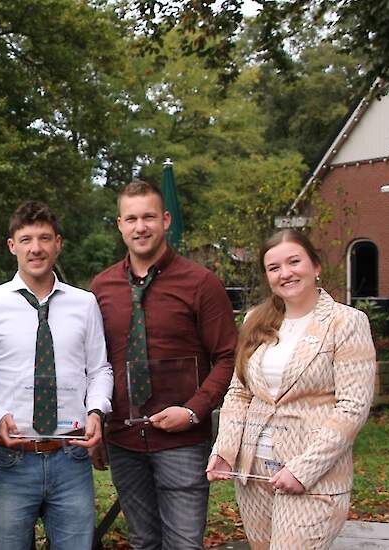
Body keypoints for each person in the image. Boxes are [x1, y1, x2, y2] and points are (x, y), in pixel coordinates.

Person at [206, 229, 376, 549]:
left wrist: (303, 469)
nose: (285, 273)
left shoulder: (347, 322)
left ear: (316, 265)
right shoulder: (256, 319)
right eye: (274, 268)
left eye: (294, 261)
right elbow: (240, 393)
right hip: (254, 475)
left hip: (313, 478)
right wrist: (225, 452)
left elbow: (352, 407)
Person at [90, 180, 237, 550]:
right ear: (120, 224)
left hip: (182, 443)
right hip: (123, 440)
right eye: (132, 218)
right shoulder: (101, 288)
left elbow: (228, 357)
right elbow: (93, 363)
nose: (141, 227)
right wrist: (94, 420)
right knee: (143, 542)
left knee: (184, 544)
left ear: (166, 220)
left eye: (149, 217)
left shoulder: (201, 283)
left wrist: (193, 412)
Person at [0, 201, 113, 550]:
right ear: (12, 246)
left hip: (71, 455)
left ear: (58, 243)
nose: (36, 248)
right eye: (26, 239)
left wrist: (96, 411)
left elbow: (99, 369)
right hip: (11, 458)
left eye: (44, 238)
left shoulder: (85, 303)